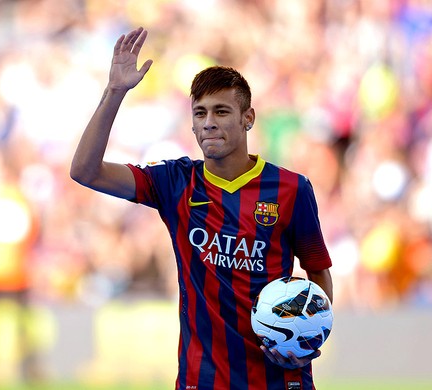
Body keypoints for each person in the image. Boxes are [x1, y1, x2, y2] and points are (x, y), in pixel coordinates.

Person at [70, 27, 333, 390]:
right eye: (200, 113)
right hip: (202, 380)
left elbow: (317, 271)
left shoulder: (290, 189)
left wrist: (311, 334)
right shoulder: (175, 183)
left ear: (248, 118)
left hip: (279, 378)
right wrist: (115, 91)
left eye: (221, 111)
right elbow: (85, 171)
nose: (208, 122)